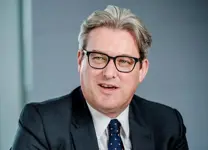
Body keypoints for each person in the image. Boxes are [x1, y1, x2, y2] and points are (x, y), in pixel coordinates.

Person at [11, 5, 189, 150]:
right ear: (80, 61)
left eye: (124, 61)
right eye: (98, 58)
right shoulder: (41, 124)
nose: (109, 73)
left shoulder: (167, 124)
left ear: (142, 69)